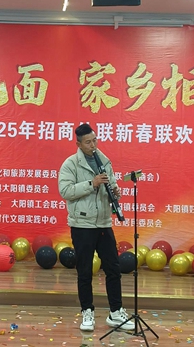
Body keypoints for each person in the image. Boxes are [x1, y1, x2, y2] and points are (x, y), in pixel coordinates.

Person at [58, 123, 134, 332]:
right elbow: (65, 191)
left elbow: (112, 184)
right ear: (79, 144)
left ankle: (115, 312)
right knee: (84, 271)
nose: (93, 145)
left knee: (113, 268)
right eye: (88, 142)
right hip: (82, 224)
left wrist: (115, 192)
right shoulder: (70, 164)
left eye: (95, 140)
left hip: (103, 222)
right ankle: (87, 312)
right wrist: (91, 183)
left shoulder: (104, 160)